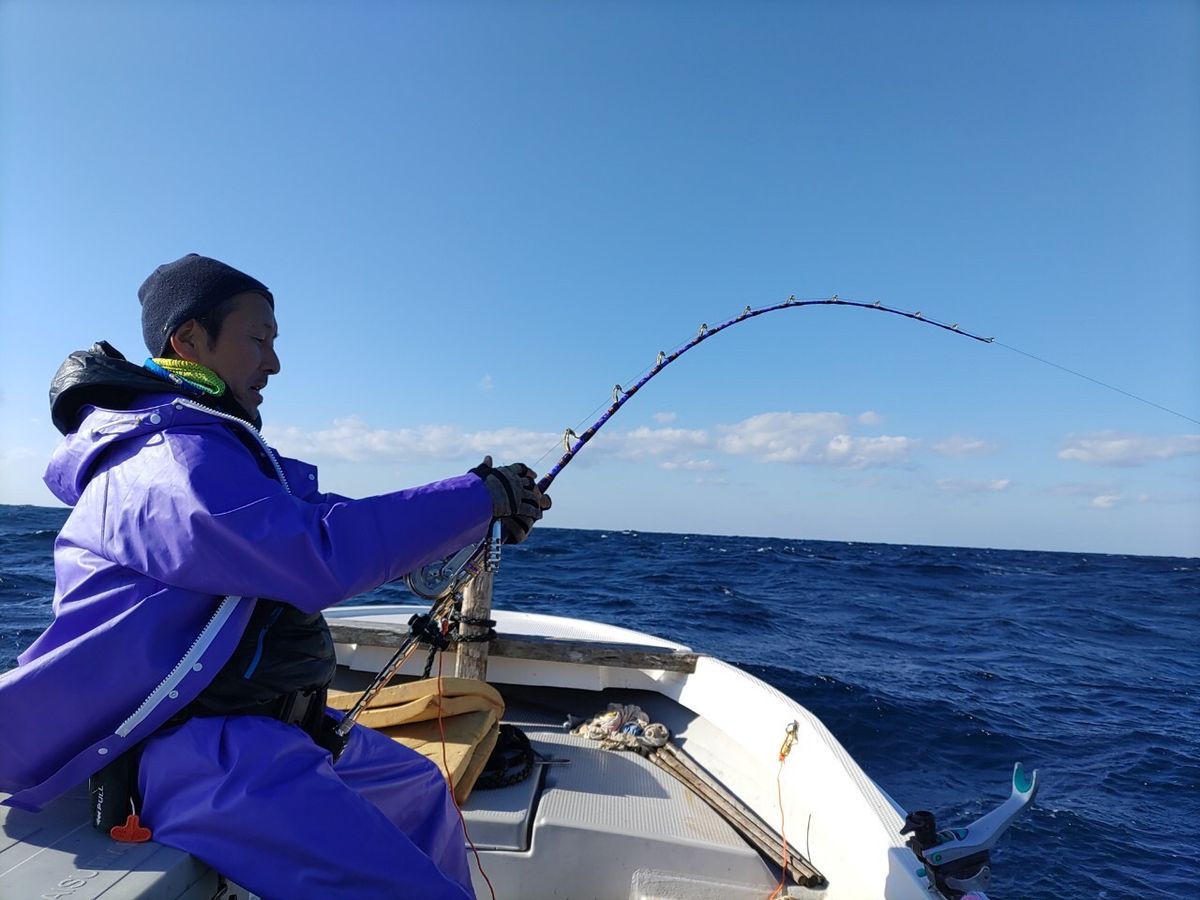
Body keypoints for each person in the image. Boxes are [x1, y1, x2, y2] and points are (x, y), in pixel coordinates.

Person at [0, 253, 551, 898]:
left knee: (421, 789)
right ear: (189, 341)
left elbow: (325, 517)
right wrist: (478, 499)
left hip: (277, 729)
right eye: (257, 340)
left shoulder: (209, 447)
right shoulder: (167, 461)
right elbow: (311, 554)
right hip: (194, 749)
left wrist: (469, 513)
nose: (273, 362)